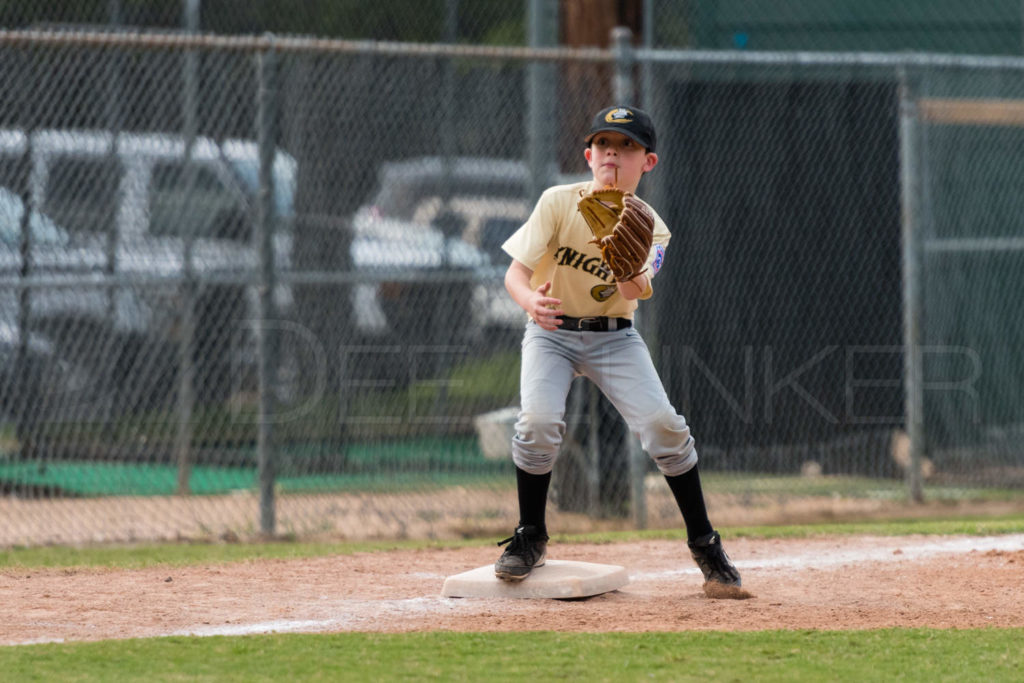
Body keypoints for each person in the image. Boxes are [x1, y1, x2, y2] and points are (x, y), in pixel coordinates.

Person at [495, 105, 741, 591]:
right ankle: (530, 534)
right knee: (539, 424)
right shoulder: (558, 202)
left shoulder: (652, 226)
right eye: (605, 144)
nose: (613, 153)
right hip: (552, 333)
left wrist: (622, 254)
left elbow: (634, 291)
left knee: (663, 428)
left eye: (627, 146)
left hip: (614, 338)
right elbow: (515, 273)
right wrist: (530, 303)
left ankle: (705, 542)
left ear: (648, 162)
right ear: (588, 155)